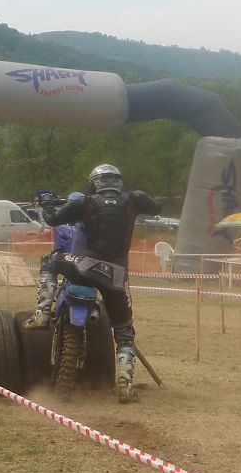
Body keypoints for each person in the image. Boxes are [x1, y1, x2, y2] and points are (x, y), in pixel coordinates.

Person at [29, 164, 160, 403]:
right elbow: (157, 208)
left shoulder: (85, 202)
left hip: (84, 267)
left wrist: (47, 202)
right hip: (117, 276)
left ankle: (42, 312)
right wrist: (139, 198)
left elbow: (52, 219)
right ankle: (125, 385)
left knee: (49, 260)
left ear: (94, 183)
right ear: (118, 182)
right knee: (124, 331)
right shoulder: (134, 200)